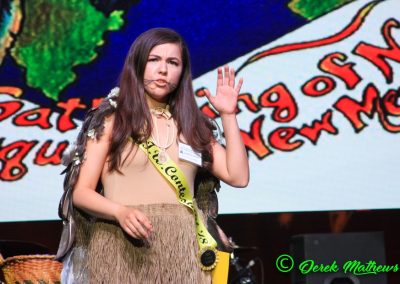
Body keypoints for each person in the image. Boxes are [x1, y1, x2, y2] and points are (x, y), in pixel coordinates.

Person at [59, 27, 249, 283]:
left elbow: (238, 176)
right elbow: (82, 193)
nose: (163, 70)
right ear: (137, 65)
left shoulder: (192, 125)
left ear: (182, 72)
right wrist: (119, 212)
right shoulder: (112, 121)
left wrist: (228, 114)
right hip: (121, 243)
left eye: (173, 62)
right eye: (154, 60)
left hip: (184, 249)